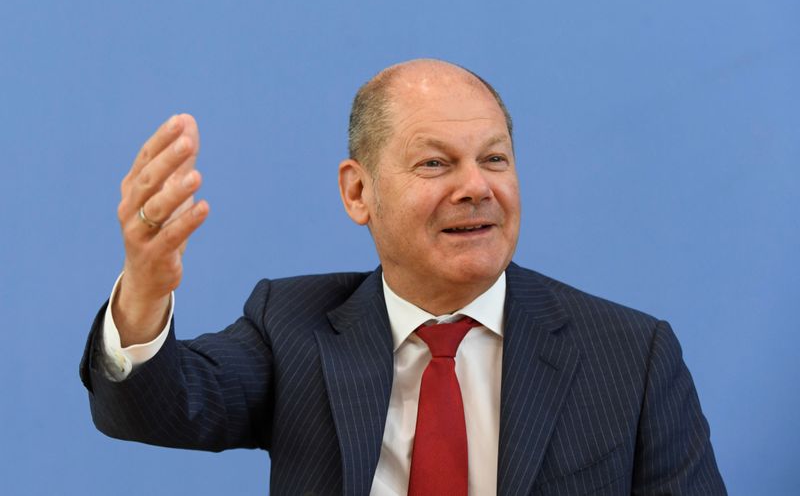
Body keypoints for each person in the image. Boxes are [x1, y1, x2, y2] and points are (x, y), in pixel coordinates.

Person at [80, 59, 726, 495]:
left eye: (494, 159)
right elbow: (156, 409)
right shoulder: (293, 327)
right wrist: (144, 288)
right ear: (358, 192)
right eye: (436, 164)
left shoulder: (630, 357)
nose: (476, 188)